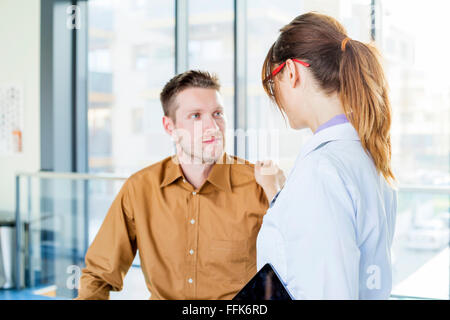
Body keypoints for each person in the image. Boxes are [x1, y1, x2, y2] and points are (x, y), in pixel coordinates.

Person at [75, 70, 269, 300]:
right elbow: (99, 275)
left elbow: (297, 269)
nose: (213, 127)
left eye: (217, 113)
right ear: (169, 127)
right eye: (196, 116)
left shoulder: (260, 186)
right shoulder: (140, 189)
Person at [254, 12, 398, 299]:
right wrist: (278, 196)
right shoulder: (364, 156)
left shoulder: (321, 170)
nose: (275, 98)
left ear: (292, 73)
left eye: (272, 83)